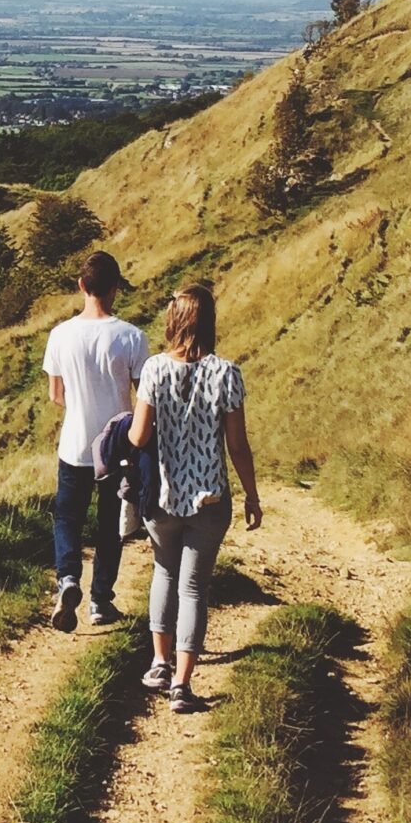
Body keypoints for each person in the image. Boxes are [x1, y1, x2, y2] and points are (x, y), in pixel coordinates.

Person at [128, 282, 261, 711]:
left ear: (174, 320)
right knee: (194, 588)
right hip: (210, 497)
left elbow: (139, 436)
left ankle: (159, 663)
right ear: (209, 322)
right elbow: (237, 445)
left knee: (164, 573)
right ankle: (182, 686)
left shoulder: (154, 369)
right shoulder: (227, 373)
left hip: (163, 496)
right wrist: (252, 496)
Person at [41, 249, 148, 631]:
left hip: (75, 443)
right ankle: (101, 601)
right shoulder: (132, 337)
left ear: (81, 285)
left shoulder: (60, 335)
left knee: (67, 517)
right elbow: (144, 397)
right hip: (117, 446)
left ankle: (68, 578)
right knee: (109, 524)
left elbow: (56, 395)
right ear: (116, 287)